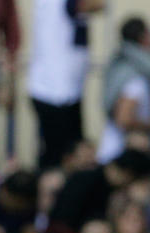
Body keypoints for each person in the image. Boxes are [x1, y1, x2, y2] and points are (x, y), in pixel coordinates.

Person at [27, 0, 104, 169]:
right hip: (54, 92)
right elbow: (95, 4)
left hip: (67, 91)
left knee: (71, 152)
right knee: (58, 157)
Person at [98, 17, 150, 164]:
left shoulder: (120, 64)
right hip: (122, 157)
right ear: (143, 38)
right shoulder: (134, 75)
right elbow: (124, 119)